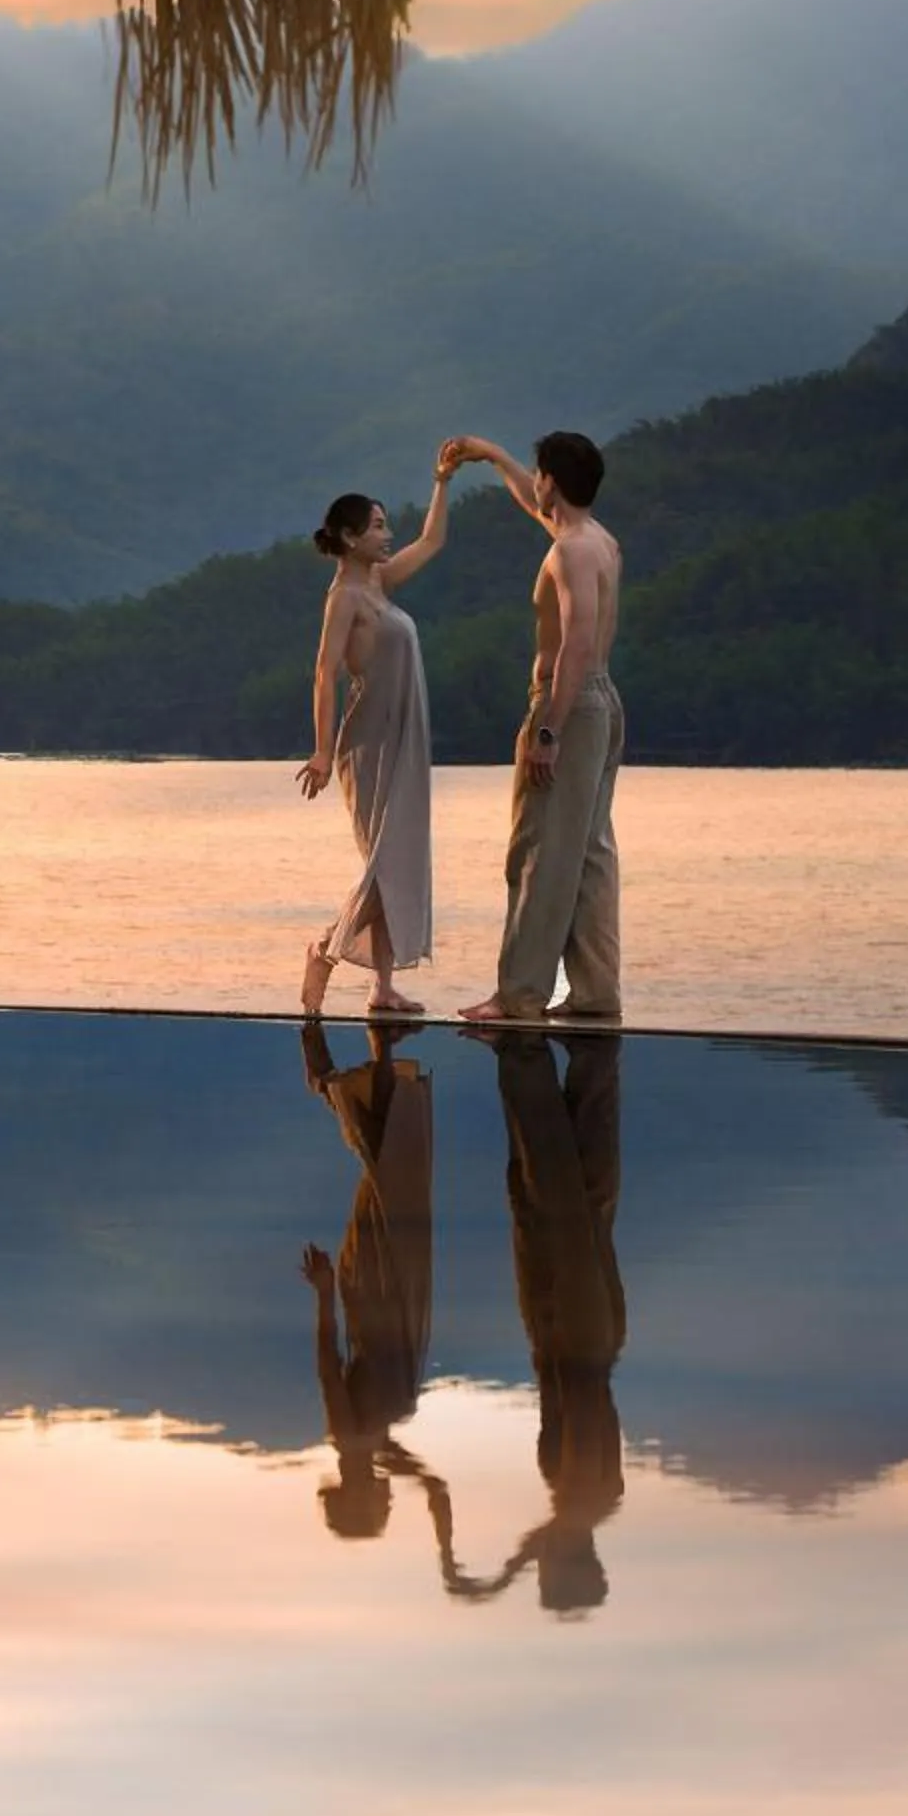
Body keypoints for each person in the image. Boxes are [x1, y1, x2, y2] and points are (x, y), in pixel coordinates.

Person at [409, 1026, 626, 1615]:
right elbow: (578, 1399)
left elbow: (536, 1543)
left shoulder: (594, 1504)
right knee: (549, 1195)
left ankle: (591, 1057)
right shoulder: (581, 1497)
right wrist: (494, 1576)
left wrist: (495, 1576)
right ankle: (522, 1056)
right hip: (572, 1333)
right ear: (568, 1563)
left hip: (592, 1334)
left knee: (586, 1195)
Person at [447, 429, 623, 1025]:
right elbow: (533, 504)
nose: (534, 482)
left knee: (539, 852)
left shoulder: (571, 551)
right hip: (602, 701)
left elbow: (574, 644)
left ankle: (519, 996)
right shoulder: (594, 540)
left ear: (553, 479)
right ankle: (596, 993)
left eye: (537, 472)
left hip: (569, 704)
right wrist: (492, 456)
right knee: (590, 851)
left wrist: (548, 729)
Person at [296, 452, 455, 1021]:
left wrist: (442, 480)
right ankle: (326, 948)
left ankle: (383, 988)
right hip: (368, 742)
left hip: (406, 735)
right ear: (348, 536)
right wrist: (319, 749)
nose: (388, 534)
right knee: (384, 861)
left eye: (387, 524)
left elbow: (433, 541)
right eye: (379, 525)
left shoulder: (382, 581)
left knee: (401, 859)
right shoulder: (345, 598)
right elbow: (323, 673)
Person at [297, 1015, 435, 1538]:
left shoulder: (348, 1436)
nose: (390, 1501)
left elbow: (329, 1364)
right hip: (400, 1293)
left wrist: (325, 1290)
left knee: (384, 1172)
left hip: (374, 1290)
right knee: (389, 1170)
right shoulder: (376, 1446)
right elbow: (434, 1486)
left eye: (381, 1508)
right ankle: (363, 1057)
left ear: (359, 1497)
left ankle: (344, 1053)